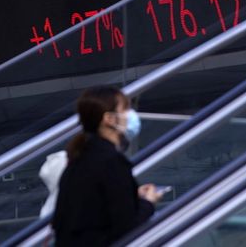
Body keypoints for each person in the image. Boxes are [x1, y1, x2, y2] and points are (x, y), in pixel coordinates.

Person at [52, 86, 163, 246]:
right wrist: (148, 203)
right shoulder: (111, 161)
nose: (130, 115)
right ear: (109, 119)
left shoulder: (79, 157)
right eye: (125, 109)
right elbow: (126, 226)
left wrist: (131, 195)